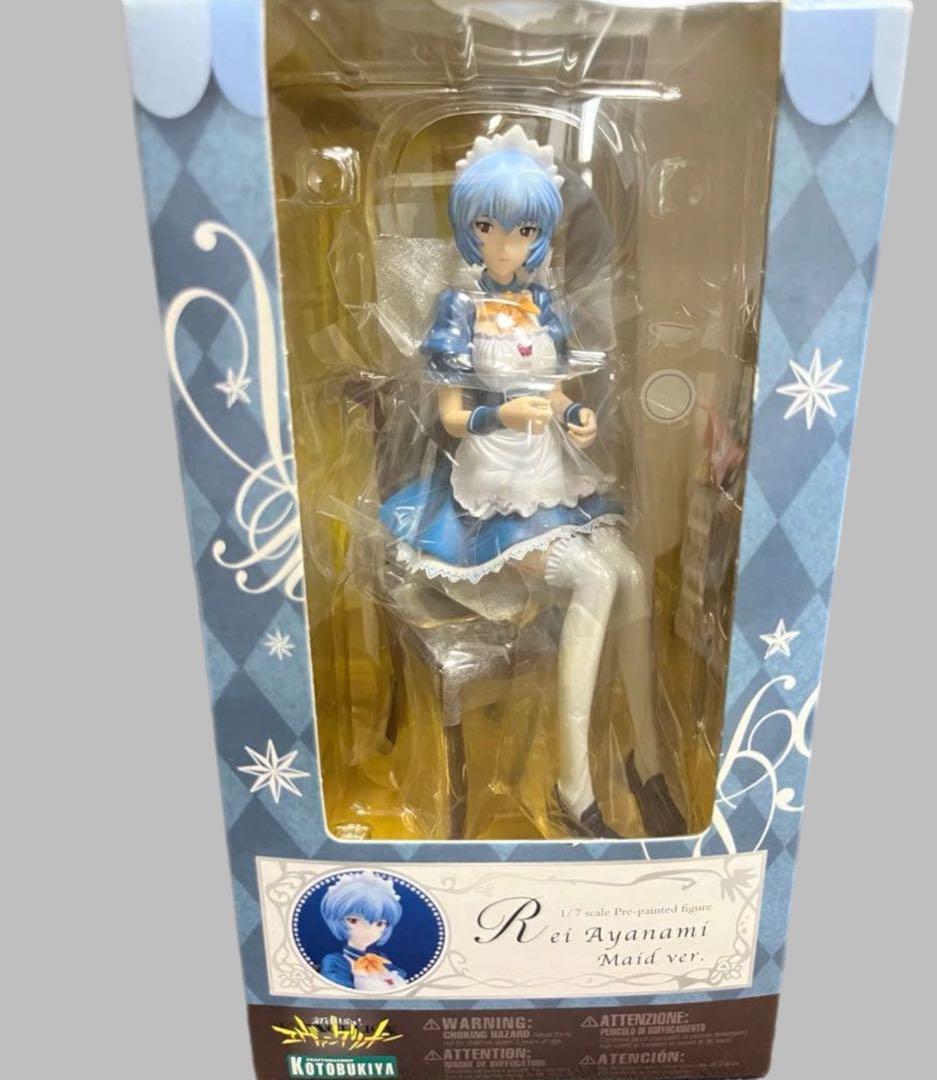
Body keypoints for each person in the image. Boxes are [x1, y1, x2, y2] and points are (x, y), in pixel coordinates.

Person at [379, 125, 685, 839]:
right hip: (492, 490)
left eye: (521, 231)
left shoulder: (544, 305)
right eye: (488, 227)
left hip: (551, 474)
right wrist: (502, 414)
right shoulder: (457, 310)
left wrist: (575, 415)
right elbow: (451, 417)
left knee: (633, 573)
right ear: (469, 228)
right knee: (596, 579)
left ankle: (645, 759)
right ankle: (572, 791)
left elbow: (558, 389)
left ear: (540, 236)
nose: (504, 245)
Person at [319, 872, 408, 991]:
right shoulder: (336, 962)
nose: (369, 930)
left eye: (379, 924)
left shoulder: (382, 959)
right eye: (353, 920)